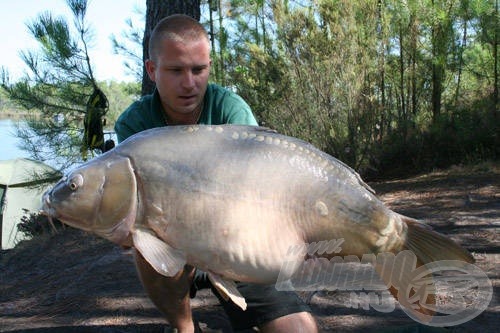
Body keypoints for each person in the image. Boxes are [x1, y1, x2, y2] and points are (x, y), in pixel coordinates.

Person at [114, 14, 318, 333]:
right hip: (173, 247)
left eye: (198, 70)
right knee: (143, 240)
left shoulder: (230, 111)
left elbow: (260, 193)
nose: (189, 83)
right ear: (152, 71)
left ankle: (247, 308)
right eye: (176, 70)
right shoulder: (134, 125)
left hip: (235, 244)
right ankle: (185, 328)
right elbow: (131, 212)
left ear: (209, 65)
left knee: (298, 330)